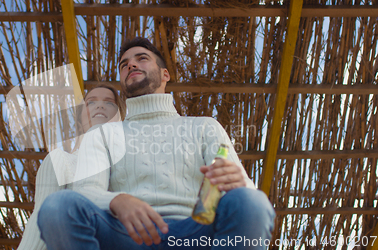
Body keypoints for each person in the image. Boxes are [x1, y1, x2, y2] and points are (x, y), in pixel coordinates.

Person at [38, 37, 275, 249]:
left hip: (197, 232)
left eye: (142, 58)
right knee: (58, 206)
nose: (131, 64)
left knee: (250, 202)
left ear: (165, 75)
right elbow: (85, 191)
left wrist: (238, 183)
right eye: (124, 64)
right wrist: (117, 200)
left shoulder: (205, 126)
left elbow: (244, 192)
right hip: (126, 235)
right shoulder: (103, 134)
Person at [17, 83, 126, 250]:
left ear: (120, 117)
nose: (100, 105)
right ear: (79, 119)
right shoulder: (61, 160)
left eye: (110, 102)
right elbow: (40, 221)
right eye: (91, 102)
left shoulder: (128, 165)